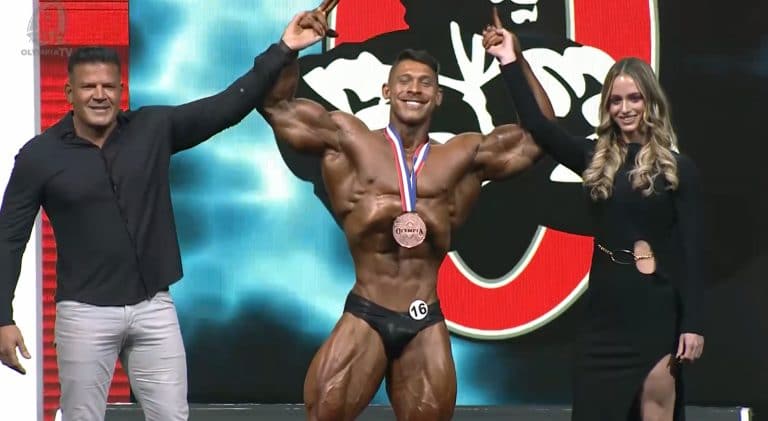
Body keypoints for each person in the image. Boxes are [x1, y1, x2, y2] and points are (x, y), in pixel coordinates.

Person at [0, 9, 324, 421]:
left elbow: (227, 106)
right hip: (84, 313)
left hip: (153, 307)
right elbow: (9, 238)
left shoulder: (152, 128)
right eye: (88, 87)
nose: (99, 95)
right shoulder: (39, 156)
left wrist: (284, 49)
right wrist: (2, 317)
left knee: (172, 417)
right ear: (68, 93)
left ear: (121, 90)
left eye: (108, 86)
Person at [259, 4, 555, 421]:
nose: (414, 89)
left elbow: (539, 138)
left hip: (424, 317)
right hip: (367, 309)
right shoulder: (348, 141)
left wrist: (512, 59)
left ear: (439, 96)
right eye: (404, 81)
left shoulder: (462, 156)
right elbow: (277, 109)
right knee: (324, 413)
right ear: (386, 91)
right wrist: (290, 48)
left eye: (425, 83)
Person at [482, 10, 705, 421]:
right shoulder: (593, 159)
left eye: (634, 98)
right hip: (603, 319)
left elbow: (693, 253)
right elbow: (538, 126)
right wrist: (509, 58)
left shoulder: (679, 169)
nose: (625, 108)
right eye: (616, 100)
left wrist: (692, 324)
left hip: (656, 314)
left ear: (651, 102)